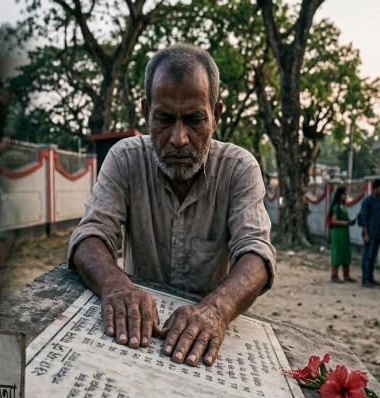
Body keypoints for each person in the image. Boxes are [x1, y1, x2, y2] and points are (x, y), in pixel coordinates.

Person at [68, 44, 277, 367]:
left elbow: (256, 255)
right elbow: (90, 237)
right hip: (138, 333)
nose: (179, 138)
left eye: (194, 120)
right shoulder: (125, 159)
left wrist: (216, 310)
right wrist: (117, 287)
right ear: (146, 112)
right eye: (164, 119)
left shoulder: (239, 168)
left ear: (216, 115)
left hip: (206, 340)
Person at [358, 178, 380, 287]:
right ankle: (365, 279)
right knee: (367, 257)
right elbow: (364, 218)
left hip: (378, 232)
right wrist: (366, 233)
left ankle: (370, 277)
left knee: (373, 257)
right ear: (375, 188)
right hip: (369, 233)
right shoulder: (367, 201)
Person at [327, 186, 357, 283]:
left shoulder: (343, 206)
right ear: (340, 195)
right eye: (344, 194)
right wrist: (347, 223)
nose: (346, 196)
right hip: (338, 233)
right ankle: (334, 275)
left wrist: (350, 222)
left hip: (344, 233)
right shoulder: (336, 207)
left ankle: (346, 275)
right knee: (337, 253)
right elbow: (334, 221)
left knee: (345, 253)